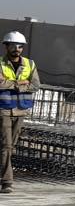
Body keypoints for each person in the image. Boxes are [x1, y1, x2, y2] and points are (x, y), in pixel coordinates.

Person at [0, 32, 37, 194]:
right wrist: (21, 83)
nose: (17, 49)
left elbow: (35, 85)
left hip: (21, 110)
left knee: (10, 147)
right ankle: (7, 182)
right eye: (13, 45)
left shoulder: (30, 64)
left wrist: (10, 83)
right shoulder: (0, 63)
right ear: (6, 46)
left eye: (20, 46)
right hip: (3, 109)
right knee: (6, 146)